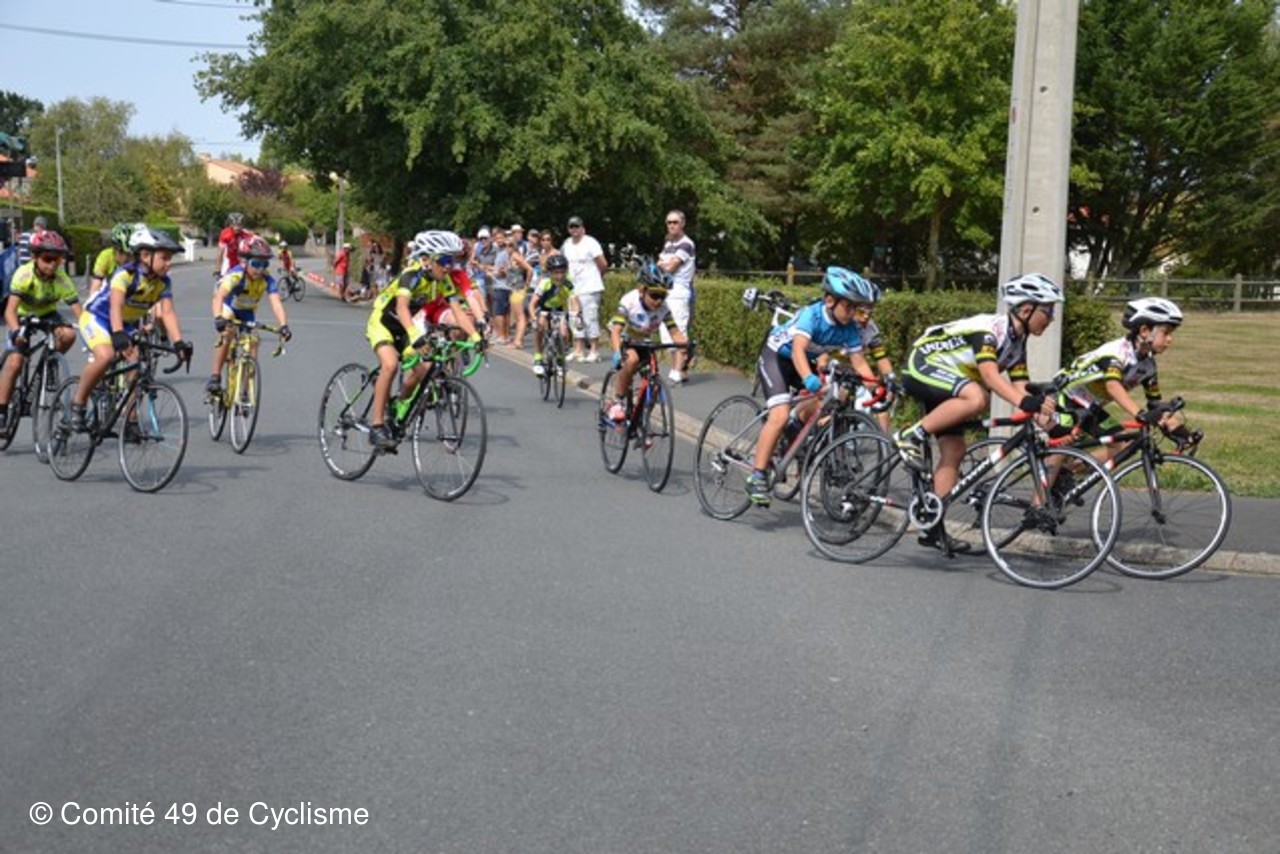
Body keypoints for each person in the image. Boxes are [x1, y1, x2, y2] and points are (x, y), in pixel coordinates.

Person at [895, 273, 1063, 551]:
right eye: (1048, 311)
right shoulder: (990, 332)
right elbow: (991, 377)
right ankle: (910, 436)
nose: (1052, 318)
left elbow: (1021, 388)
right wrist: (1025, 403)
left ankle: (933, 526)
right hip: (924, 364)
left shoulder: (1018, 341)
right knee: (977, 397)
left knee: (955, 451)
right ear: (1026, 309)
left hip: (950, 381)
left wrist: (1048, 422)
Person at [745, 267, 879, 507]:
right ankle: (757, 475)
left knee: (829, 400)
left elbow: (859, 362)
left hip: (805, 363)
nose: (852, 313)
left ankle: (794, 430)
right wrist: (808, 377)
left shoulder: (849, 328)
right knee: (779, 414)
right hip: (777, 357)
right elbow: (798, 350)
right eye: (848, 306)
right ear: (830, 301)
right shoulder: (812, 315)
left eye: (856, 308)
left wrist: (876, 389)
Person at [365, 230, 482, 452]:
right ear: (427, 260)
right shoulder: (411, 275)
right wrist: (415, 336)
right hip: (383, 324)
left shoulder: (444, 281)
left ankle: (397, 405)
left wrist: (476, 338)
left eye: (452, 260)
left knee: (426, 370)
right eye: (444, 261)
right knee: (390, 365)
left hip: (406, 328)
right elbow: (402, 308)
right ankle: (377, 426)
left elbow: (458, 311)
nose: (449, 266)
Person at [70, 225, 193, 431]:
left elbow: (168, 313)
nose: (169, 263)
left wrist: (178, 342)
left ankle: (131, 419)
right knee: (106, 356)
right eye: (164, 258)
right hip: (97, 318)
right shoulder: (125, 275)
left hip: (123, 322)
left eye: (170, 258)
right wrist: (118, 333)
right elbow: (115, 306)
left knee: (136, 362)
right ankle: (78, 403)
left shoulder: (163, 282)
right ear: (145, 256)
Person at [1054, 297, 1184, 453]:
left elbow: (1155, 404)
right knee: (1062, 452)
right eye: (1166, 333)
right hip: (1063, 398)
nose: (1170, 339)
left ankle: (1079, 468)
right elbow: (1112, 386)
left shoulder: (1148, 365)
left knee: (1124, 444)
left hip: (1089, 407)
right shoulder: (1117, 353)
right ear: (1144, 331)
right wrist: (1139, 414)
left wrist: (1180, 432)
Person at [0, 231, 82, 433]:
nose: (52, 265)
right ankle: (1, 409)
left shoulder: (62, 279)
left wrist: (93, 335)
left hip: (47, 314)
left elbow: (80, 313)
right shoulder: (24, 274)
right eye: (47, 259)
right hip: (21, 315)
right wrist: (17, 333)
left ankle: (50, 362)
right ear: (35, 257)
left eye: (57, 260)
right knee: (16, 361)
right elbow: (9, 311)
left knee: (69, 334)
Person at [206, 234, 292, 396]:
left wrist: (283, 325)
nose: (260, 269)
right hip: (229, 308)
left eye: (264, 264)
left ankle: (245, 390)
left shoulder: (267, 280)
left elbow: (276, 303)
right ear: (245, 262)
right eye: (256, 264)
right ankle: (215, 376)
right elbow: (219, 296)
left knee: (254, 342)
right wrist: (218, 317)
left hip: (247, 313)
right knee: (227, 334)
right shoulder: (236, 275)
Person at [604, 261, 688, 422]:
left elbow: (675, 332)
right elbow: (616, 331)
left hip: (643, 340)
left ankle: (640, 418)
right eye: (654, 295)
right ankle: (617, 401)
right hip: (625, 338)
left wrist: (685, 347)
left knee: (654, 382)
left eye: (663, 296)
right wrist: (617, 353)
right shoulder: (629, 301)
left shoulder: (664, 308)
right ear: (642, 291)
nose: (658, 301)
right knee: (632, 360)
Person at [561, 216, 607, 362]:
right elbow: (564, 263)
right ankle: (578, 349)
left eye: (577, 226)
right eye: (571, 227)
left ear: (583, 228)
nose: (574, 229)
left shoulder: (591, 242)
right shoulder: (567, 244)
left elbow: (602, 264)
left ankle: (594, 350)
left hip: (590, 286)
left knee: (590, 318)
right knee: (575, 318)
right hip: (573, 287)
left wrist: (596, 277)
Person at [657, 210, 696, 383]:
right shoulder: (668, 244)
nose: (672, 225)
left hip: (679, 292)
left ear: (682, 224)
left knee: (678, 330)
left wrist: (664, 264)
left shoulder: (686, 244)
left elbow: (670, 268)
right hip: (666, 292)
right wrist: (664, 265)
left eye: (675, 222)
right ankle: (676, 368)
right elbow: (659, 265)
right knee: (667, 333)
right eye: (669, 222)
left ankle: (678, 370)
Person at [527, 254, 581, 377]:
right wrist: (533, 318)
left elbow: (574, 301)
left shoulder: (568, 282)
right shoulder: (545, 283)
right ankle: (538, 357)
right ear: (550, 273)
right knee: (540, 326)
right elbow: (532, 304)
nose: (559, 276)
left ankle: (560, 358)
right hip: (544, 308)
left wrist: (577, 316)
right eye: (556, 273)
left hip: (559, 309)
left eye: (562, 272)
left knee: (563, 334)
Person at [88, 223, 134, 300]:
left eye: (130, 254)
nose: (126, 258)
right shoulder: (106, 256)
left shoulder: (141, 258)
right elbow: (96, 285)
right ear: (114, 249)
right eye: (121, 252)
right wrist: (92, 301)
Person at [214, 212, 246, 278]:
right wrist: (217, 269)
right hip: (229, 259)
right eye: (234, 225)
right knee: (223, 280)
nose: (237, 228)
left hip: (241, 260)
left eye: (239, 225)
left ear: (242, 225)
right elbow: (220, 252)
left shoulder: (246, 234)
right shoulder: (225, 234)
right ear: (230, 225)